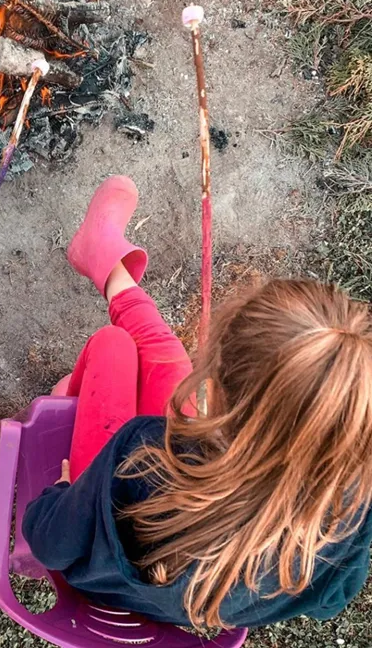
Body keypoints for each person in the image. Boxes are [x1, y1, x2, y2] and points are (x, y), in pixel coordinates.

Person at [22, 175, 372, 629]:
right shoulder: (348, 511)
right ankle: (103, 258)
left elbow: (49, 543)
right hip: (188, 591)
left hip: (104, 578)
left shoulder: (142, 454)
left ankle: (68, 388)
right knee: (163, 356)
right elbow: (332, 598)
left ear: (222, 394)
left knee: (115, 347)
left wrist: (62, 491)